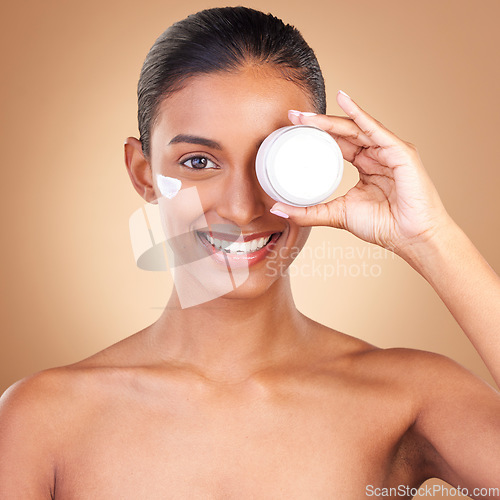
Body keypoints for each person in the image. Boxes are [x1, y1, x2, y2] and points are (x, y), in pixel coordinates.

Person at [1, 6, 499, 498]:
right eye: (198, 161)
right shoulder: (42, 420)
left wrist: (430, 237)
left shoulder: (409, 398)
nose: (242, 209)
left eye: (272, 161)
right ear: (143, 172)